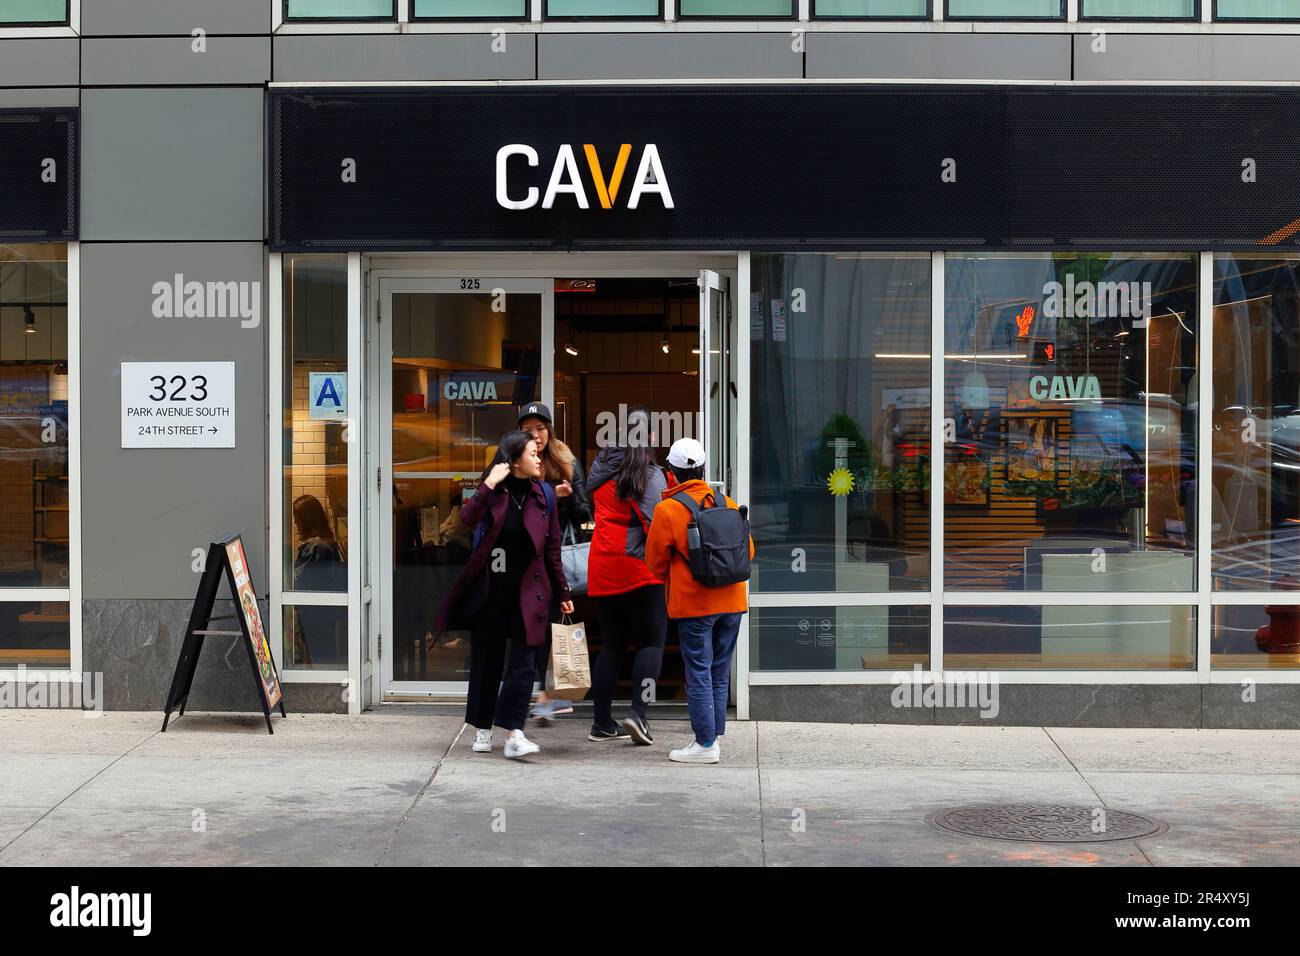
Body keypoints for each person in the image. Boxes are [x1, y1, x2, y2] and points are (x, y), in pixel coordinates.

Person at [435, 430, 573, 759]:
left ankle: (514, 731)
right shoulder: (494, 493)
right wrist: (488, 484)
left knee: (524, 664)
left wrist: (563, 589)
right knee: (488, 662)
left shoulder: (544, 496)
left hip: (531, 594)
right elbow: (464, 520)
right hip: (491, 593)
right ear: (513, 461)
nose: (539, 457)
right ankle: (483, 727)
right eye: (532, 453)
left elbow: (552, 548)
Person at [645, 438, 754, 765]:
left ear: (672, 473)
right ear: (703, 469)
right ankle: (713, 736)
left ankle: (705, 744)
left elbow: (654, 564)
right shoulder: (729, 503)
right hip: (732, 602)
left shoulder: (667, 510)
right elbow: (748, 552)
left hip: (694, 605)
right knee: (719, 670)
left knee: (698, 671)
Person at [585, 407, 669, 744]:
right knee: (651, 643)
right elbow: (660, 526)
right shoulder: (649, 474)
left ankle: (601, 722)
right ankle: (639, 714)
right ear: (649, 437)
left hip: (603, 564)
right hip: (639, 568)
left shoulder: (601, 467)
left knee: (611, 647)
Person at [517, 402, 592, 722]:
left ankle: (550, 694)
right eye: (528, 430)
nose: (536, 436)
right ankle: (549, 694)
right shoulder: (515, 460)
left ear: (550, 429)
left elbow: (586, 513)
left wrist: (566, 496)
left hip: (556, 556)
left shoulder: (566, 459)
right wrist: (551, 494)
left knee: (549, 623)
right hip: (526, 556)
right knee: (534, 625)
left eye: (541, 428)